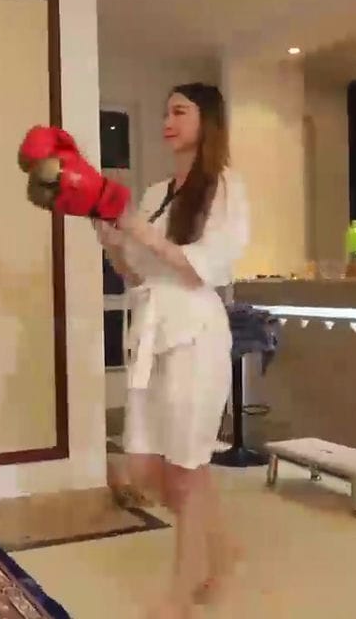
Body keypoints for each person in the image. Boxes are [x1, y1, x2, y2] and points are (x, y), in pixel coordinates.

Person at [95, 82, 249, 617]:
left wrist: (140, 231)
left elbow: (204, 265)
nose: (168, 120)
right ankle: (223, 551)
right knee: (146, 466)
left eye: (180, 111)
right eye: (165, 111)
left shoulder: (224, 188)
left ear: (207, 121)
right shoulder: (156, 191)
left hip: (195, 333)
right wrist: (114, 243)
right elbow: (139, 272)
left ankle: (180, 595)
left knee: (185, 465)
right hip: (152, 331)